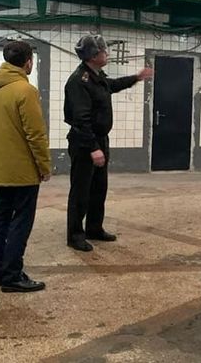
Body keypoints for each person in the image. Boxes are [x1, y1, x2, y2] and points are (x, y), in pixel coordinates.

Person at [64, 35, 153, 251]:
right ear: (93, 56)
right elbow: (81, 119)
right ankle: (75, 235)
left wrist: (136, 78)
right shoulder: (79, 81)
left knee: (98, 188)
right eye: (104, 51)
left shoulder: (97, 76)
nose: (107, 53)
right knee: (81, 191)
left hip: (99, 140)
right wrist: (93, 148)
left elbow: (112, 85)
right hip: (85, 143)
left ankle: (94, 228)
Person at [0, 41, 50, 293]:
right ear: (28, 62)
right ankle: (12, 275)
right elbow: (35, 134)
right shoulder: (25, 90)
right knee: (21, 221)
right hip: (22, 171)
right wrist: (44, 165)